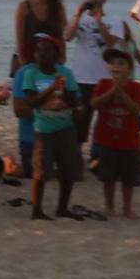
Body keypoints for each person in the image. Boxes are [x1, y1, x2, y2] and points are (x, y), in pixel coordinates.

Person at [18, 35, 82, 219]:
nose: (42, 54)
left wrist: (66, 93)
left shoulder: (66, 73)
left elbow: (74, 101)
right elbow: (31, 102)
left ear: (57, 54)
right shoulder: (31, 74)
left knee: (68, 169)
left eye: (47, 50)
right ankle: (37, 209)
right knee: (41, 170)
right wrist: (52, 88)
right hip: (43, 128)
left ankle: (63, 208)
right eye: (39, 51)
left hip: (65, 125)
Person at [64, 0, 130, 145]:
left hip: (105, 78)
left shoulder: (114, 21)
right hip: (82, 78)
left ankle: (101, 154)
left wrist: (99, 20)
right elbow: (67, 36)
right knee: (80, 120)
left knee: (109, 120)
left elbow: (109, 43)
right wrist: (78, 15)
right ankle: (77, 156)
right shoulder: (79, 18)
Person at [90, 47, 140, 219]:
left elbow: (136, 109)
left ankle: (127, 208)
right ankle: (109, 206)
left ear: (129, 68)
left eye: (121, 64)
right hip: (107, 141)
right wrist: (112, 91)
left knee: (128, 179)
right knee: (108, 177)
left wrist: (121, 92)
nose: (116, 67)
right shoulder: (102, 84)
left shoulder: (136, 87)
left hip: (129, 141)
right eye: (112, 64)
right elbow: (94, 104)